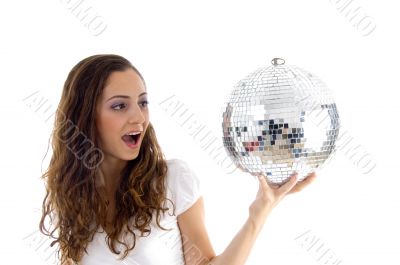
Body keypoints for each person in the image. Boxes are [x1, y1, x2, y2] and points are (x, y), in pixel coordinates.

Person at [39, 54, 316, 265]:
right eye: (120, 105)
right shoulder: (72, 196)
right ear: (85, 116)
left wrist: (261, 211)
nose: (139, 117)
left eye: (143, 102)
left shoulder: (171, 181)